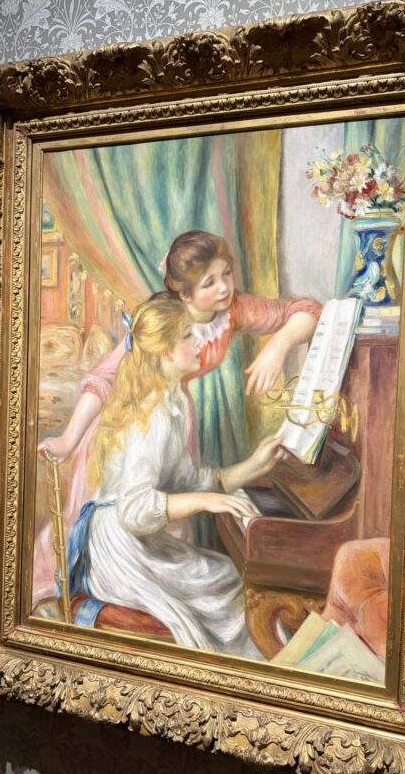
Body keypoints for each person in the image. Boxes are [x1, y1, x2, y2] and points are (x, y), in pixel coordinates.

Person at [33, 230, 321, 603]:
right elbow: (104, 380)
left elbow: (308, 311)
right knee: (138, 528)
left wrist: (278, 346)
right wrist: (69, 440)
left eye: (226, 274)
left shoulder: (232, 310)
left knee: (178, 531)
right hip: (130, 428)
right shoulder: (163, 323)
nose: (224, 287)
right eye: (209, 282)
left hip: (172, 414)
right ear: (184, 294)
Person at [67, 297, 286, 653]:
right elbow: (134, 510)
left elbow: (188, 480)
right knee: (224, 585)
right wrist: (208, 501)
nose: (198, 342)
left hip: (135, 541)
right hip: (118, 551)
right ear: (166, 353)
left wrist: (255, 466)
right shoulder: (151, 414)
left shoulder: (173, 402)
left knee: (224, 575)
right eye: (187, 336)